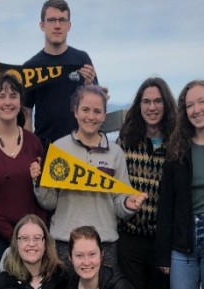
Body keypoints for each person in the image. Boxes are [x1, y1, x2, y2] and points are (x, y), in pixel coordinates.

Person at [32, 85, 147, 273]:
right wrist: (38, 181)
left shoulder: (116, 153)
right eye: (85, 109)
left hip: (104, 243)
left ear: (104, 115)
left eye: (97, 111)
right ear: (75, 111)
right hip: (64, 242)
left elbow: (119, 203)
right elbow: (49, 202)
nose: (91, 117)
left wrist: (129, 203)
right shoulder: (58, 148)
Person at [0, 73, 48, 286]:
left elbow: (42, 191)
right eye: (1, 96)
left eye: (13, 96)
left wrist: (36, 230)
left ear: (20, 103)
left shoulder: (33, 143)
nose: (7, 102)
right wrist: (13, 236)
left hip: (31, 237)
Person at [155, 80, 204, 289]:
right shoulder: (177, 148)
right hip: (182, 242)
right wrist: (163, 255)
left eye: (201, 102)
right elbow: (166, 203)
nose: (196, 110)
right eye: (189, 105)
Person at [115, 77, 176, 289]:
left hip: (163, 240)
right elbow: (114, 184)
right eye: (146, 101)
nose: (152, 107)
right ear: (139, 105)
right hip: (130, 236)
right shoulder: (126, 140)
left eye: (158, 101)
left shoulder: (177, 143)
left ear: (166, 104)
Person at [23, 0, 98, 148]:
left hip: (80, 145)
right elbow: (26, 113)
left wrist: (90, 86)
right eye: (51, 20)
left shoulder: (82, 59)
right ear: (42, 25)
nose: (57, 25)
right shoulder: (30, 67)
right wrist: (31, 150)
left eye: (62, 20)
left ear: (69, 26)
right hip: (46, 147)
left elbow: (97, 102)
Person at [0, 214, 68, 289]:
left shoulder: (62, 279)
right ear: (16, 244)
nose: (31, 244)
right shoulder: (2, 284)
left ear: (45, 244)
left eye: (37, 238)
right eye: (25, 238)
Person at [67, 226, 134, 289]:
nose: (86, 262)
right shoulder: (68, 283)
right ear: (70, 257)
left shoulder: (119, 286)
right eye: (79, 255)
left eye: (92, 254)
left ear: (101, 255)